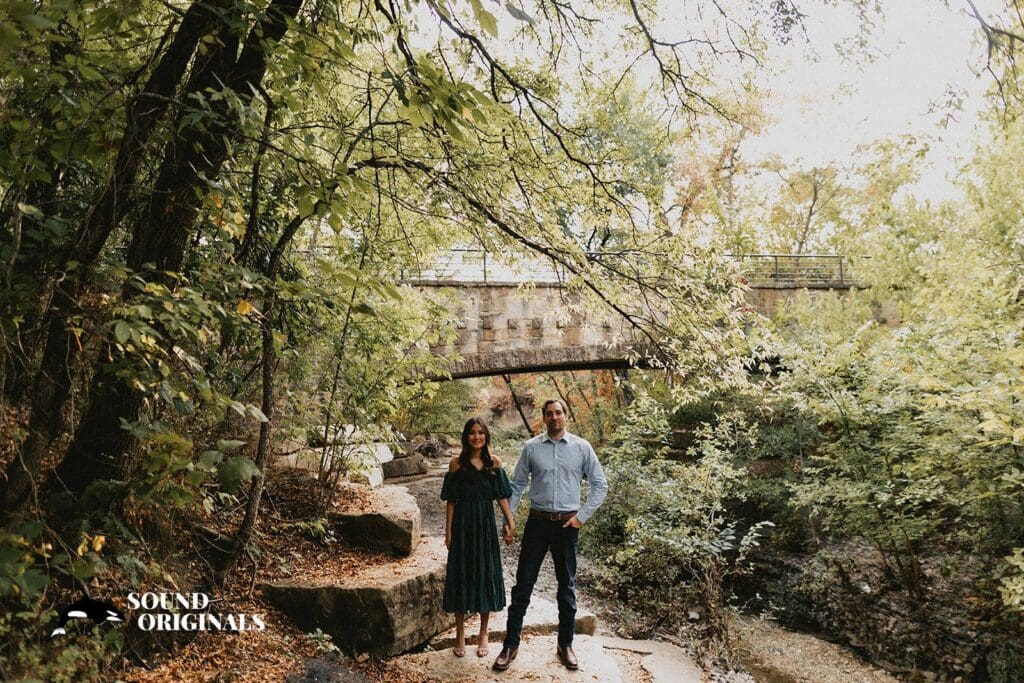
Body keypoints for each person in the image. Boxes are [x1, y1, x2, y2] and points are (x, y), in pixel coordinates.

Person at [492, 399, 608, 672]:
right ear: (543, 418)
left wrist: (581, 517)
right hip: (537, 522)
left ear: (565, 416)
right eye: (549, 414)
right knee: (523, 585)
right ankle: (510, 644)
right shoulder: (531, 448)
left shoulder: (582, 447)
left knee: (566, 587)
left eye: (558, 412)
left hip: (568, 525)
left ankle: (565, 644)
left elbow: (600, 485)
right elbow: (517, 486)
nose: (554, 417)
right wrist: (508, 520)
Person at [440, 417, 515, 658]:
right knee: (461, 574)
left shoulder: (494, 463)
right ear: (466, 437)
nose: (477, 437)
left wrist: (510, 520)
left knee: (485, 574)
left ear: (486, 436)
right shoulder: (456, 465)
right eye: (472, 433)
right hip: (463, 525)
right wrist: (448, 530)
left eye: (481, 432)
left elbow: (502, 495)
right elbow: (451, 500)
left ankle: (483, 633)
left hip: (485, 526)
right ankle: (460, 633)